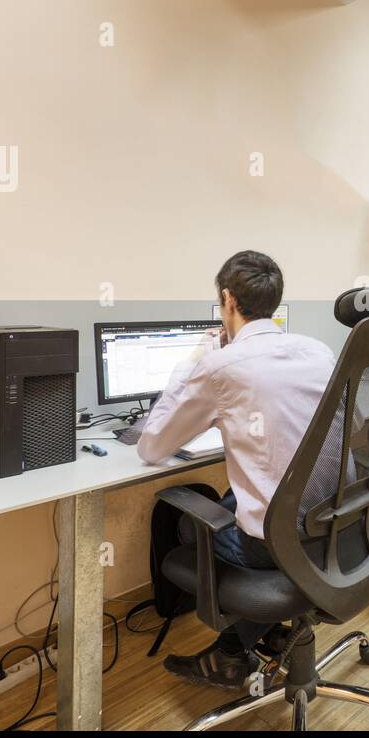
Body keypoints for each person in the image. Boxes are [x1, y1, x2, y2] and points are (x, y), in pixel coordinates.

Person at [137, 250, 335, 689]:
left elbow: (152, 447)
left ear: (227, 299)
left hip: (277, 544)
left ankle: (230, 649)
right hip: (338, 524)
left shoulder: (219, 365)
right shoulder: (317, 351)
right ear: (275, 300)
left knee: (187, 527)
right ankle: (238, 645)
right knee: (236, 495)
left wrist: (191, 365)